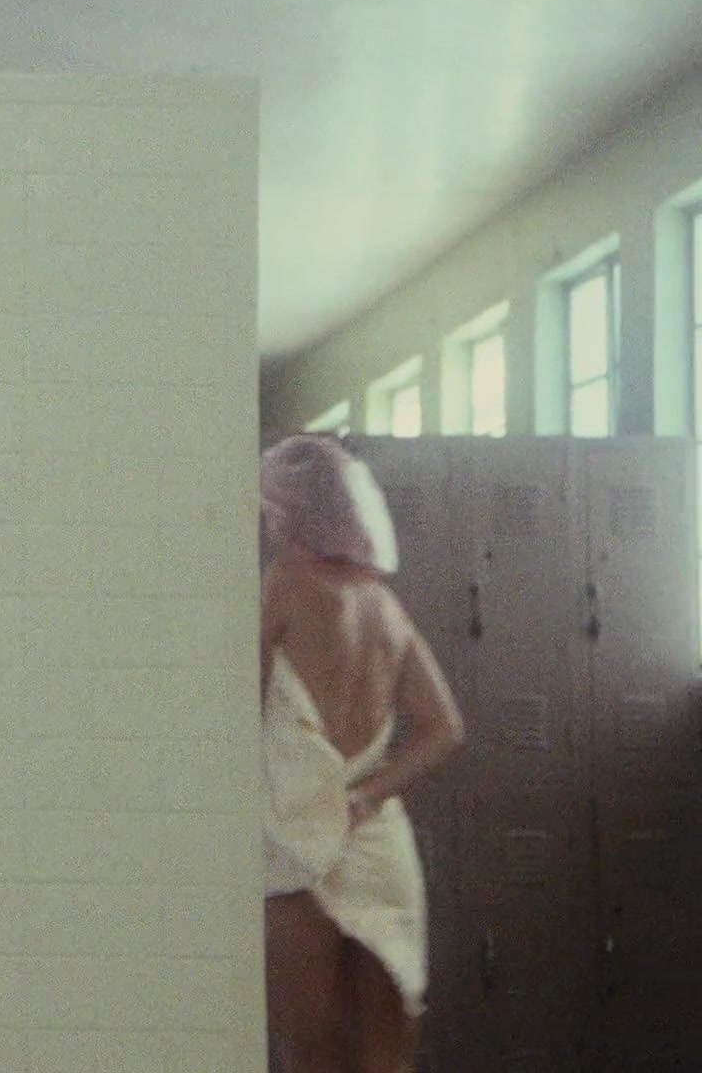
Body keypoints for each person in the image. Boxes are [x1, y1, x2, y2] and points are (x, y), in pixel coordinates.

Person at [260, 434, 467, 1073]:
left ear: (290, 512)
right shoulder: (385, 605)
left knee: (311, 1054)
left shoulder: (283, 585)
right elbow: (445, 728)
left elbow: (233, 710)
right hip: (376, 838)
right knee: (386, 1059)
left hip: (297, 836)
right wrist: (368, 793)